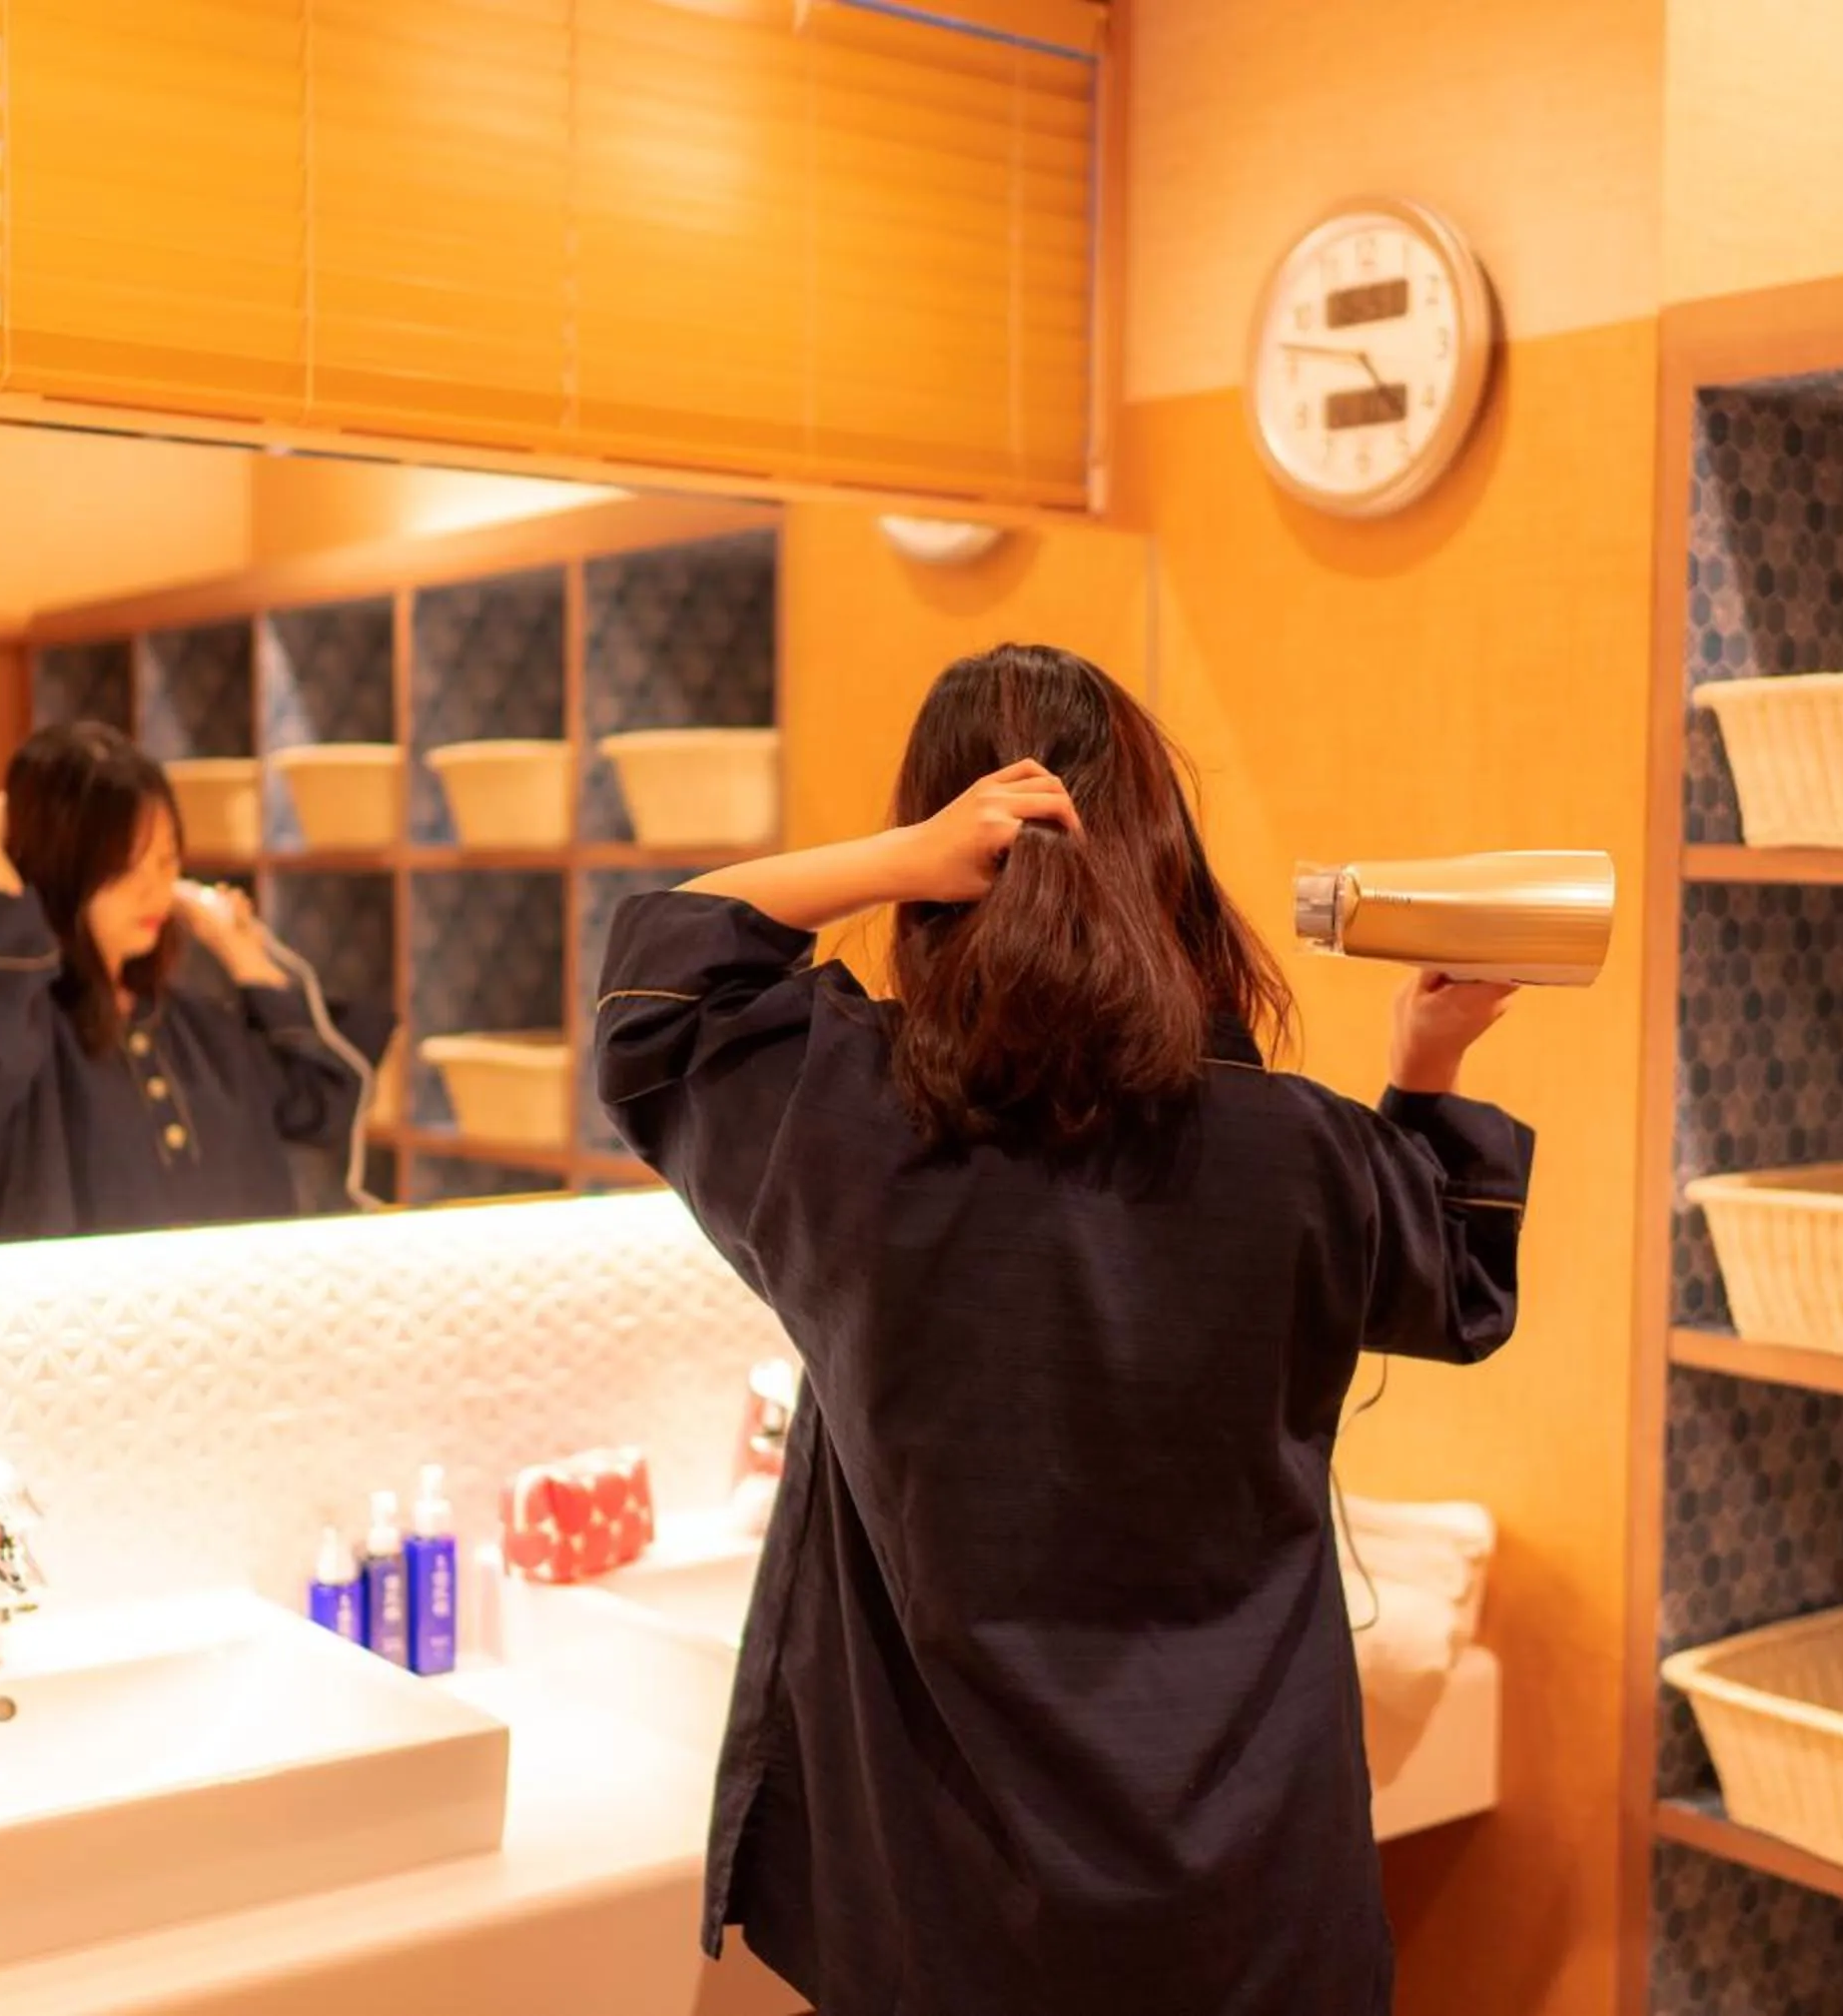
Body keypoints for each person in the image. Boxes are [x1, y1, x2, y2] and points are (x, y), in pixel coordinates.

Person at [594, 642, 1533, 2016]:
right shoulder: (1295, 1153)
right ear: (1166, 855)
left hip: (953, 1920)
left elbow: (665, 985)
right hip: (1254, 1899)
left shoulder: (843, 1122)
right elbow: (1456, 1281)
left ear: (945, 858)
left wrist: (898, 855)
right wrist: (1427, 1064)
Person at [0, 721, 396, 1244]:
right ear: (62, 866)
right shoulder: (7, 1038)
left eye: (166, 859)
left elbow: (326, 1102)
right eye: (126, 864)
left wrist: (242, 954)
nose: (154, 888)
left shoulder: (197, 1029)